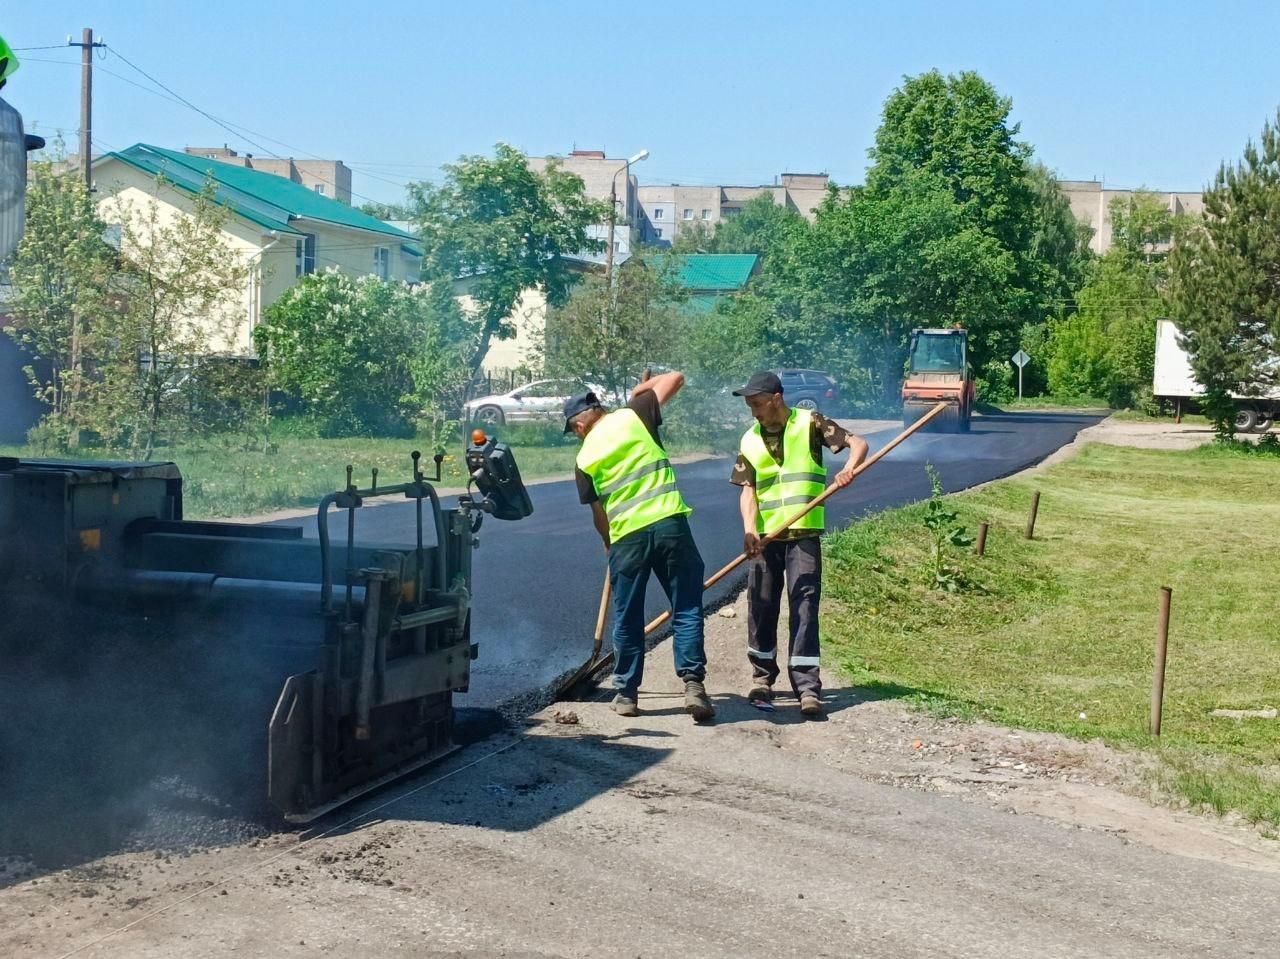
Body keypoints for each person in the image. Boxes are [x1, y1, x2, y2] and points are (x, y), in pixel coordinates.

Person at [565, 371, 714, 722]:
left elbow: (599, 514)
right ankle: (693, 686)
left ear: (580, 427)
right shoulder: (634, 414)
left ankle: (627, 693)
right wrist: (641, 389)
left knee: (628, 615)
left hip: (627, 538)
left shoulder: (584, 458)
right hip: (669, 525)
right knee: (687, 607)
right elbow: (677, 378)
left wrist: (608, 543)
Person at [730, 371, 869, 716]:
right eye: (749, 406)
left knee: (804, 606)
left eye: (757, 404)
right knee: (761, 605)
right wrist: (750, 530)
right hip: (765, 539)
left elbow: (859, 444)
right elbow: (748, 491)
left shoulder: (810, 423)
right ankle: (762, 678)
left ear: (776, 398)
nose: (754, 412)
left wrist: (848, 470)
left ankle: (807, 686)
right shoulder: (749, 440)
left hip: (803, 535)